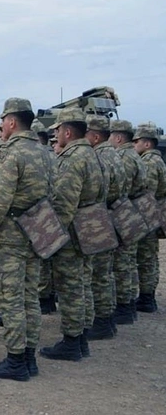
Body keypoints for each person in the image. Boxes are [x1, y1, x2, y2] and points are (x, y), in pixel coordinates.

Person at [0, 98, 51, 381]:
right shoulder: (44, 152)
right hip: (36, 231)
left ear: (11, 122)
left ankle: (16, 360)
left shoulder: (12, 153)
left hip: (12, 236)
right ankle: (29, 356)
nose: (0, 126)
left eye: (2, 121)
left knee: (11, 299)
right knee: (30, 296)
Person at [40, 107, 103, 362]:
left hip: (73, 233)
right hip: (90, 228)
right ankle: (82, 339)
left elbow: (64, 205)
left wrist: (52, 236)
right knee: (84, 284)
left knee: (71, 287)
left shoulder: (72, 158)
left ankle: (72, 341)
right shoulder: (93, 154)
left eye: (57, 130)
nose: (56, 134)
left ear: (67, 131)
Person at [84, 115, 126, 340]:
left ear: (96, 136)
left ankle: (101, 321)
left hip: (99, 218)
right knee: (105, 273)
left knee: (98, 274)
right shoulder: (114, 155)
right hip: (111, 216)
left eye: (87, 133)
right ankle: (107, 319)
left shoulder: (99, 157)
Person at [110, 120, 148, 324]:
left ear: (117, 137)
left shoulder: (124, 157)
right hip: (132, 211)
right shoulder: (134, 155)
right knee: (129, 260)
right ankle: (129, 304)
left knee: (122, 262)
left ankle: (124, 306)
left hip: (122, 211)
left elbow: (119, 187)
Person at [132, 123, 166, 313]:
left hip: (148, 216)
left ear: (147, 143)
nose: (134, 145)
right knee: (150, 258)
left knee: (145, 258)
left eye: (137, 141)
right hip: (154, 215)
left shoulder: (149, 163)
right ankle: (148, 296)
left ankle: (146, 298)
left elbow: (147, 194)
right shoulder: (157, 161)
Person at [33, 119, 59, 315]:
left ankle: (44, 299)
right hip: (53, 214)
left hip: (35, 217)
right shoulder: (53, 156)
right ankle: (48, 298)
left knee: (39, 265)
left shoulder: (32, 157)